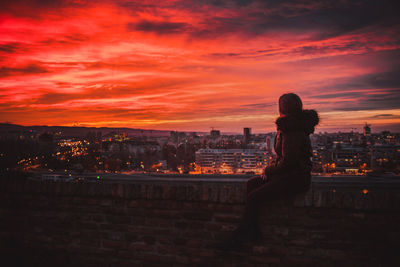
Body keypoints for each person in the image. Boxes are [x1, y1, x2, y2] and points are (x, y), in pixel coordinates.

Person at [218, 93, 319, 251]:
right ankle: (253, 232)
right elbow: (283, 158)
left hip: (294, 178)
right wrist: (271, 170)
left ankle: (243, 235)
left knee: (254, 196)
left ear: (282, 108)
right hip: (288, 175)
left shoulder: (291, 129)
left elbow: (289, 161)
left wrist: (268, 170)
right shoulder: (291, 127)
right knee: (252, 184)